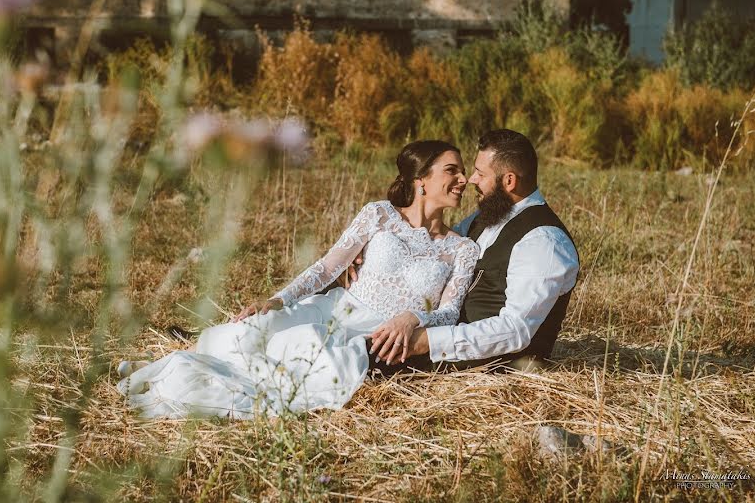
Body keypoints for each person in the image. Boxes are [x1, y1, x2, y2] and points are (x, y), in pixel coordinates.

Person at [116, 140, 480, 418]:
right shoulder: (378, 215)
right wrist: (278, 298)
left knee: (303, 348)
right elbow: (326, 268)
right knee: (255, 329)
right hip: (336, 306)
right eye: (452, 170)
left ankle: (189, 380)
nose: (463, 179)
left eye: (463, 171)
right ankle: (181, 366)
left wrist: (414, 317)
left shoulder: (462, 249)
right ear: (422, 180)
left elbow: (449, 314)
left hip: (370, 335)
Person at [367, 129, 579, 373]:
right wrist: (366, 255)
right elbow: (432, 249)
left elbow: (515, 331)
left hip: (488, 366)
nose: (471, 180)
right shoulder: (485, 217)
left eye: (480, 174)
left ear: (509, 181)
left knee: (355, 356)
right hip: (444, 343)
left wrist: (429, 341)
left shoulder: (544, 242)